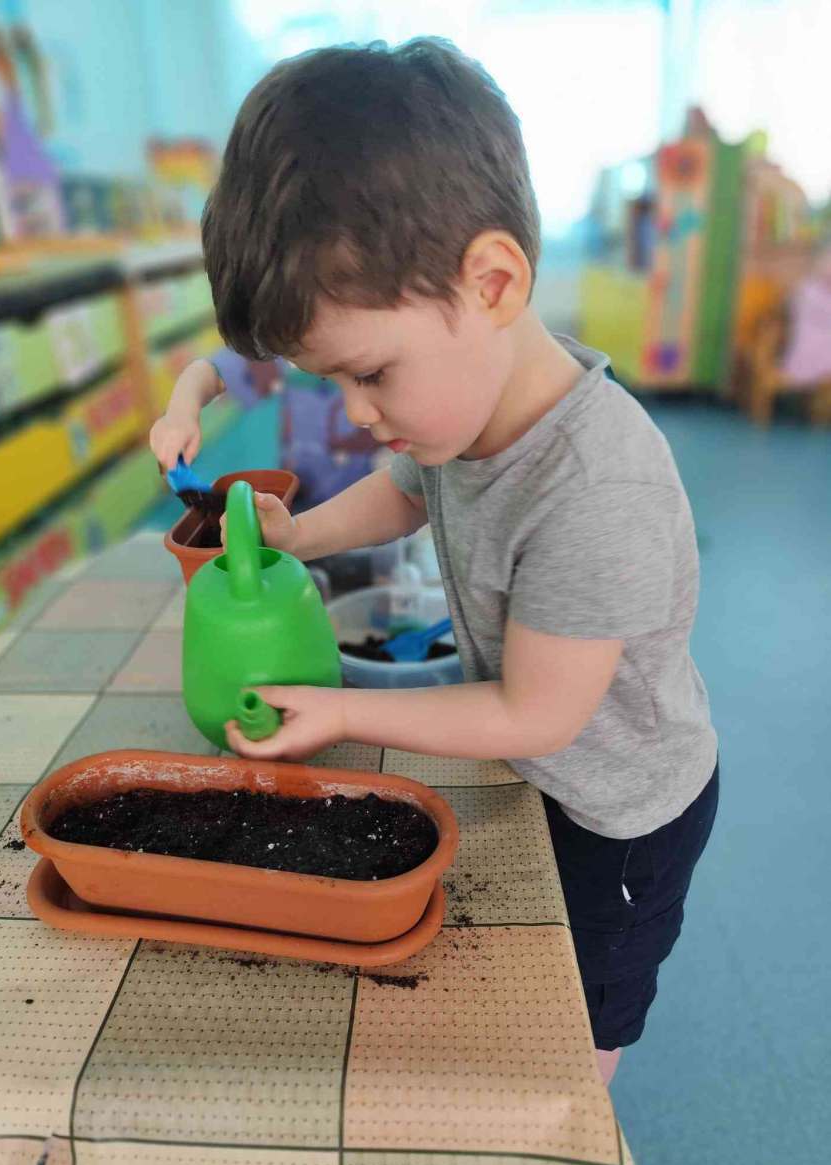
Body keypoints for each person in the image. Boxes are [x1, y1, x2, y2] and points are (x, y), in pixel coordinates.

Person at [149, 39, 719, 1086]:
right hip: (539, 765)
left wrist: (344, 712)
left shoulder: (597, 489)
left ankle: (566, 1122)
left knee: (578, 1017)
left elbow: (536, 716)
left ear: (492, 282)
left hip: (619, 810)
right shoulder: (467, 413)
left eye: (370, 375)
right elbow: (409, 491)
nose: (357, 414)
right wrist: (302, 536)